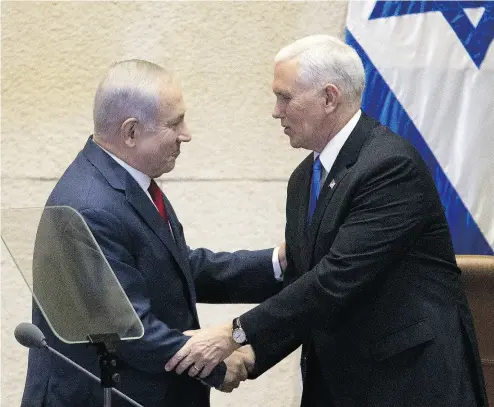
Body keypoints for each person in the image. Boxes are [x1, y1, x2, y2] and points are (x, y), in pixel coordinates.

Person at [165, 35, 488, 407]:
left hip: (409, 384)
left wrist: (233, 333)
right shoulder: (304, 179)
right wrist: (253, 355)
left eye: (285, 97)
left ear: (329, 98)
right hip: (340, 384)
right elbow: (305, 283)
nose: (275, 111)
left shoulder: (390, 167)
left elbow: (335, 279)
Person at [21, 59, 285, 407]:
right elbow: (129, 330)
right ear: (130, 132)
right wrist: (214, 362)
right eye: (175, 123)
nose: (186, 134)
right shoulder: (89, 206)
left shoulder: (127, 182)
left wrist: (275, 264)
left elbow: (175, 268)